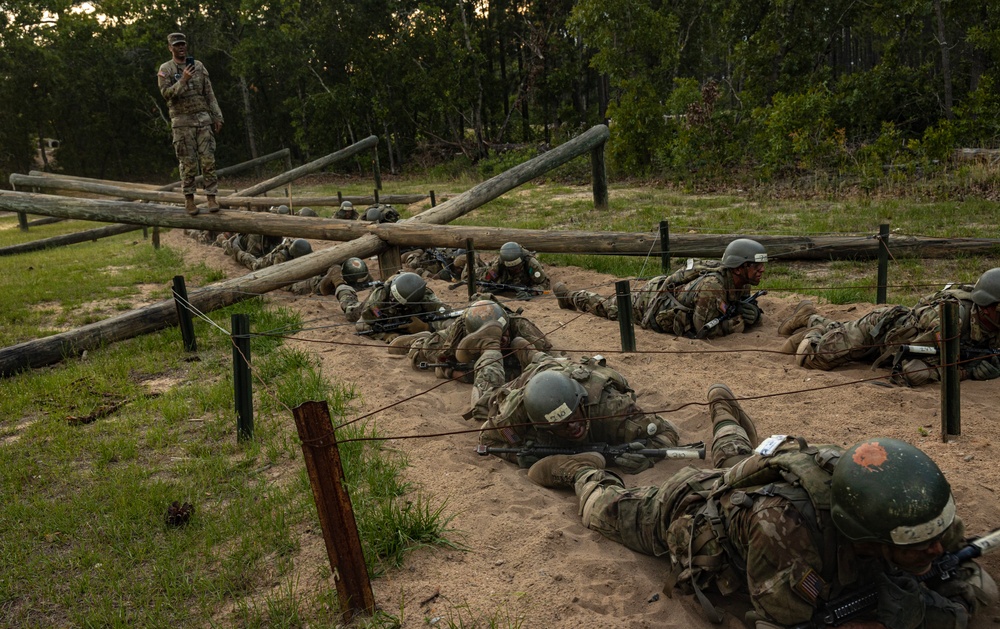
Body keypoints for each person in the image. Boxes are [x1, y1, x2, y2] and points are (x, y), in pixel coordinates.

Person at [527, 385, 998, 628]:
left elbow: (965, 572)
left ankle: (723, 411)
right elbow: (779, 623)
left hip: (761, 477)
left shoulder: (914, 506)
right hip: (694, 510)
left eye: (938, 538)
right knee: (608, 511)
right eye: (920, 548)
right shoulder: (783, 533)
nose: (938, 549)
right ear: (866, 534)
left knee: (737, 459)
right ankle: (580, 472)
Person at [461, 335, 681, 472]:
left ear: (580, 401)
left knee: (543, 359)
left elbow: (667, 430)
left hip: (560, 372)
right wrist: (517, 456)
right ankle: (491, 350)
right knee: (484, 402)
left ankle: (527, 350)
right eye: (561, 426)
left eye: (573, 416)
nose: (573, 427)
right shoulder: (519, 411)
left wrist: (648, 456)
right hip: (532, 379)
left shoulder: (613, 409)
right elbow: (487, 437)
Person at [779, 268, 1000, 386]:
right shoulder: (949, 321)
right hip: (881, 331)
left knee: (843, 334)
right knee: (813, 359)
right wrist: (966, 373)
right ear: (986, 307)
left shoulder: (991, 323)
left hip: (893, 347)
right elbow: (908, 369)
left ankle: (815, 320)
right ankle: (812, 327)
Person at [556, 238, 767, 339]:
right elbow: (702, 330)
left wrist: (754, 314)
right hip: (650, 303)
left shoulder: (741, 283)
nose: (762, 271)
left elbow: (738, 307)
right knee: (608, 307)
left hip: (671, 296)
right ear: (739, 268)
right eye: (756, 266)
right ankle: (571, 297)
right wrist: (731, 326)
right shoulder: (712, 288)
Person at [388, 298, 553, 391]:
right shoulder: (462, 333)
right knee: (425, 352)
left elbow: (546, 355)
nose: (501, 339)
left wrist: (452, 374)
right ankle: (419, 338)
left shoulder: (520, 327)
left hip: (506, 359)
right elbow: (446, 359)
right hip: (462, 338)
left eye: (503, 334)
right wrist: (449, 370)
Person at [157, 32, 224, 216]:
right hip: (182, 123)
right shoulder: (166, 70)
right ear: (170, 47)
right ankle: (189, 199)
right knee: (188, 163)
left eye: (183, 44)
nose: (181, 47)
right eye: (177, 45)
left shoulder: (199, 66)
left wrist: (217, 116)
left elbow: (209, 94)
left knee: (208, 159)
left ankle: (211, 197)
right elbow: (166, 94)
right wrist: (183, 80)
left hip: (203, 120)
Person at [331, 270, 454, 341]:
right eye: (392, 298)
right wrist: (385, 335)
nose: (392, 302)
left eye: (397, 302)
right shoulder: (380, 298)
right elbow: (362, 323)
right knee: (351, 310)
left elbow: (449, 316)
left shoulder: (426, 297)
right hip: (379, 312)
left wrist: (426, 327)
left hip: (407, 316)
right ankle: (339, 282)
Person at [473, 242, 551, 297]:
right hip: (504, 280)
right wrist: (484, 285)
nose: (515, 270)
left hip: (524, 283)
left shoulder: (532, 264)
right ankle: (473, 257)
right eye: (512, 268)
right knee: (471, 274)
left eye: (517, 267)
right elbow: (487, 278)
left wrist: (531, 293)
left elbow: (544, 285)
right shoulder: (498, 264)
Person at [285, 257, 374, 296]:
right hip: (313, 284)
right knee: (290, 286)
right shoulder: (334, 275)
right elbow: (323, 291)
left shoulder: (359, 271)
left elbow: (368, 280)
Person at [227, 237, 311, 271]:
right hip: (264, 263)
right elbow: (279, 277)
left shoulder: (301, 248)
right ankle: (233, 248)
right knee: (254, 264)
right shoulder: (281, 257)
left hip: (273, 255)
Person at [401, 247, 481, 282]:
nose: (459, 270)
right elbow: (433, 275)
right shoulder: (448, 264)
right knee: (413, 261)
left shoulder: (471, 262)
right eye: (459, 268)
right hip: (426, 260)